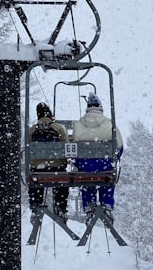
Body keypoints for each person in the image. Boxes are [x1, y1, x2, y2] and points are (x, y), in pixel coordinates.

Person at [73, 93, 123, 221]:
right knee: (107, 181)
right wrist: (113, 158)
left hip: (85, 169)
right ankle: (106, 205)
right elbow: (119, 146)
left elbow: (73, 149)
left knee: (87, 182)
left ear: (88, 107)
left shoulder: (78, 125)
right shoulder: (110, 124)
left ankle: (90, 207)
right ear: (100, 107)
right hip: (104, 168)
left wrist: (78, 163)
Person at [27, 102, 69, 219]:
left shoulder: (31, 131)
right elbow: (65, 149)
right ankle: (60, 207)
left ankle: (36, 206)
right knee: (61, 183)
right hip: (57, 169)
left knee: (35, 183)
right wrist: (63, 162)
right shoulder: (59, 128)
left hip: (38, 170)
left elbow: (27, 150)